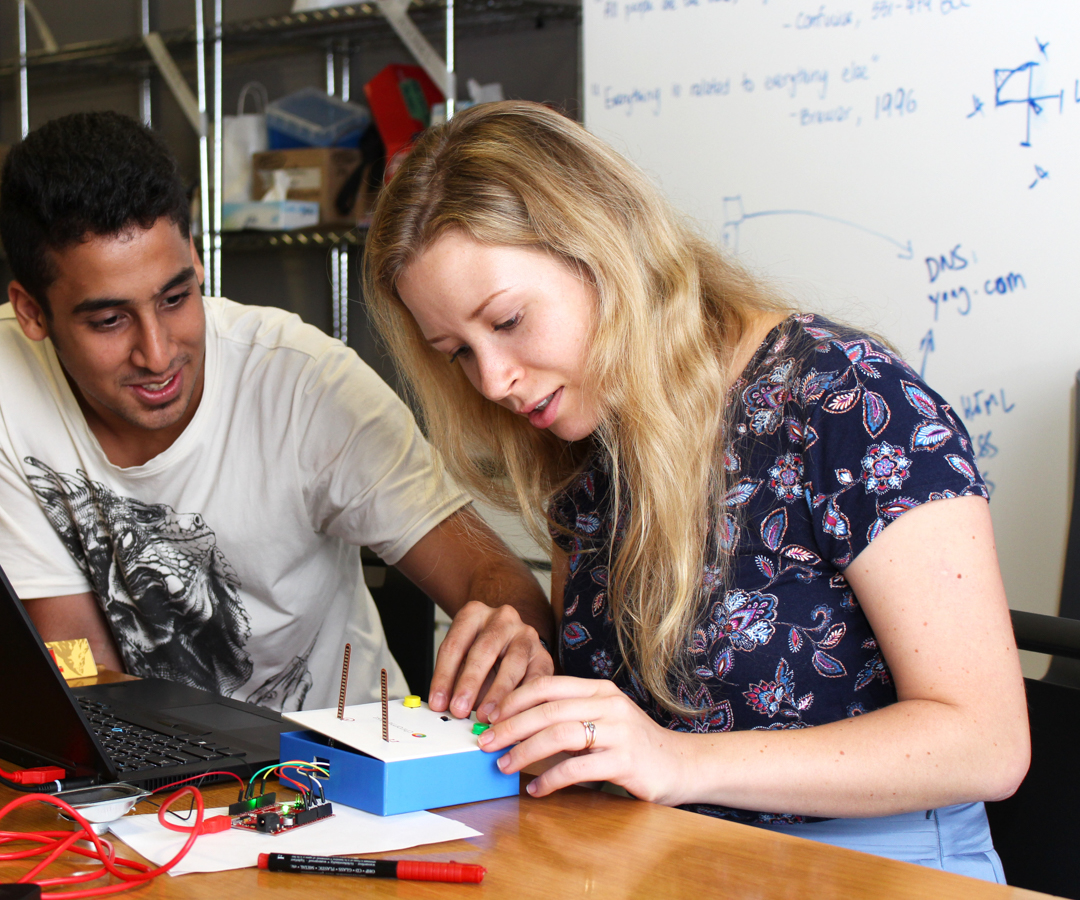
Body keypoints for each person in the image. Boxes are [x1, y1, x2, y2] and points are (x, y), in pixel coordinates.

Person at [362, 101, 1030, 879]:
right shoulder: (587, 442)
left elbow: (987, 742)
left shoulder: (846, 402)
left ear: (605, 249)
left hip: (879, 871)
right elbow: (628, 714)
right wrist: (540, 672)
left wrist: (679, 761)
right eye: (457, 354)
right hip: (671, 860)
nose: (495, 380)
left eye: (508, 320)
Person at [0, 110, 554, 718]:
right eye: (110, 320)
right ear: (32, 312)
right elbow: (78, 662)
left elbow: (499, 580)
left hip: (341, 777)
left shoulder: (307, 385)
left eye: (176, 297)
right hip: (147, 768)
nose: (158, 351)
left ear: (197, 261)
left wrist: (505, 638)